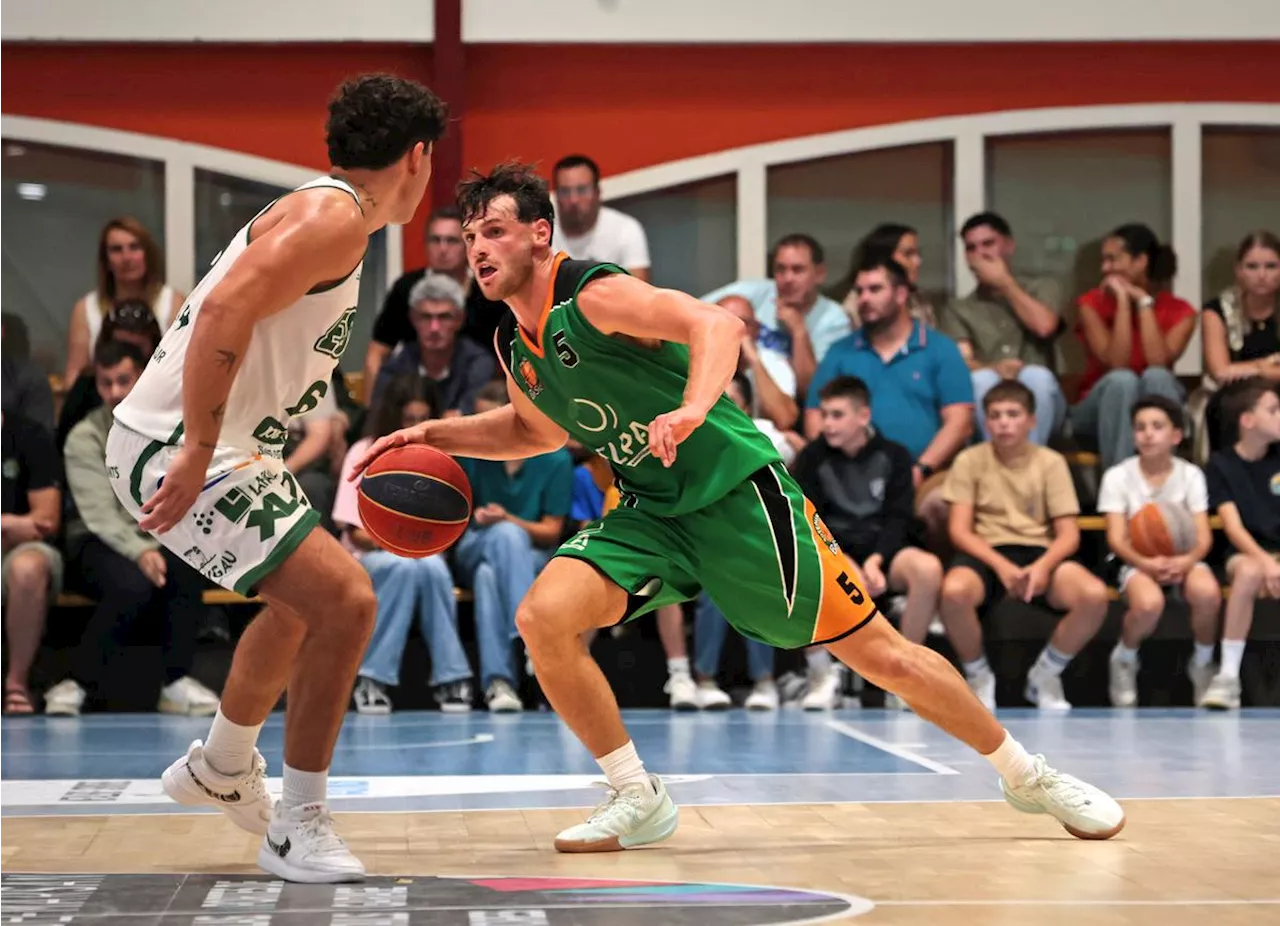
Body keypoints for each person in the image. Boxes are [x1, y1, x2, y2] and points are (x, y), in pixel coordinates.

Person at [351, 162, 1125, 853]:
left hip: (737, 497)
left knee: (881, 656)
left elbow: (715, 322)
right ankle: (637, 795)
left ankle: (1026, 775)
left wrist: (692, 407)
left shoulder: (596, 294)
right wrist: (434, 434)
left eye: (494, 231)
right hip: (651, 510)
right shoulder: (514, 344)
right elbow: (535, 429)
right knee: (543, 617)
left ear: (539, 235)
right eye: (469, 236)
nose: (477, 248)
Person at [102, 73, 448, 883]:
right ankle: (299, 823)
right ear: (417, 156)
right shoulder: (335, 220)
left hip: (229, 445)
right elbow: (221, 312)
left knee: (303, 606)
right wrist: (193, 446)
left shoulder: (324, 210)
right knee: (349, 602)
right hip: (189, 445)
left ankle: (221, 764)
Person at [48, 340, 219, 717]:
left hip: (154, 535)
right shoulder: (84, 437)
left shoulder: (168, 430)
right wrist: (138, 549)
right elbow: (98, 514)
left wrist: (158, 543)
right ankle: (76, 682)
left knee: (186, 567)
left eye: (123, 380)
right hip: (94, 540)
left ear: (142, 376)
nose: (114, 392)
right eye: (106, 383)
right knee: (132, 586)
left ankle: (176, 682)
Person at [939, 381, 1110, 711]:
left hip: (1039, 552)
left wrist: (1043, 566)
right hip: (986, 551)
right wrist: (1001, 566)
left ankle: (1046, 673)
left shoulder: (1051, 462)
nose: (1004, 422)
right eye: (996, 415)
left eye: (1013, 414)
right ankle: (978, 675)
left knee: (1093, 595)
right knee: (953, 592)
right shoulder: (969, 460)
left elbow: (1069, 534)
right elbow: (959, 531)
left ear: (1031, 421)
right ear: (985, 423)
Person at [333, 374, 474, 715]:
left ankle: (451, 677)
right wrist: (402, 545)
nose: (415, 425)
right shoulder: (365, 449)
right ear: (394, 416)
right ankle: (372, 678)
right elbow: (355, 532)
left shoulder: (439, 459)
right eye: (409, 418)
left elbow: (446, 528)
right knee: (402, 566)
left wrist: (415, 546)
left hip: (420, 556)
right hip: (365, 557)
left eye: (423, 417)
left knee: (433, 568)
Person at [1096, 396, 1219, 707]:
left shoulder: (1190, 474)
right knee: (1149, 604)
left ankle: (1203, 663)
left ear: (1176, 436)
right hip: (1134, 558)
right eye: (1140, 428)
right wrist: (1146, 564)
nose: (1148, 434)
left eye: (1157, 426)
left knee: (1207, 593)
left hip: (1184, 556)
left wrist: (1185, 561)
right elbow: (1116, 539)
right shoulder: (1118, 476)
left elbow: (1203, 537)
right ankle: (1124, 658)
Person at [1070, 223, 1195, 470]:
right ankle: (1120, 490)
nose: (1104, 269)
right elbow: (1117, 363)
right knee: (1122, 381)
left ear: (1140, 261)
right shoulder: (1090, 304)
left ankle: (1165, 479)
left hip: (1154, 402)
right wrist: (1124, 304)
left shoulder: (1182, 311)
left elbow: (1159, 361)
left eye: (1112, 260)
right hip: (1098, 410)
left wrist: (1143, 302)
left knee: (1157, 376)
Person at [1201, 379, 1280, 710]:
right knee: (1248, 572)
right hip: (1246, 552)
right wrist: (1266, 562)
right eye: (1273, 410)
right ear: (1247, 421)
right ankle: (1228, 678)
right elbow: (1232, 527)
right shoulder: (1221, 465)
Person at [64, 216, 184, 386]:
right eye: (116, 249)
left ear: (147, 254)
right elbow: (74, 375)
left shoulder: (173, 302)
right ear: (106, 260)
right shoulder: (85, 309)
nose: (126, 257)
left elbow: (183, 368)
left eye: (134, 247)